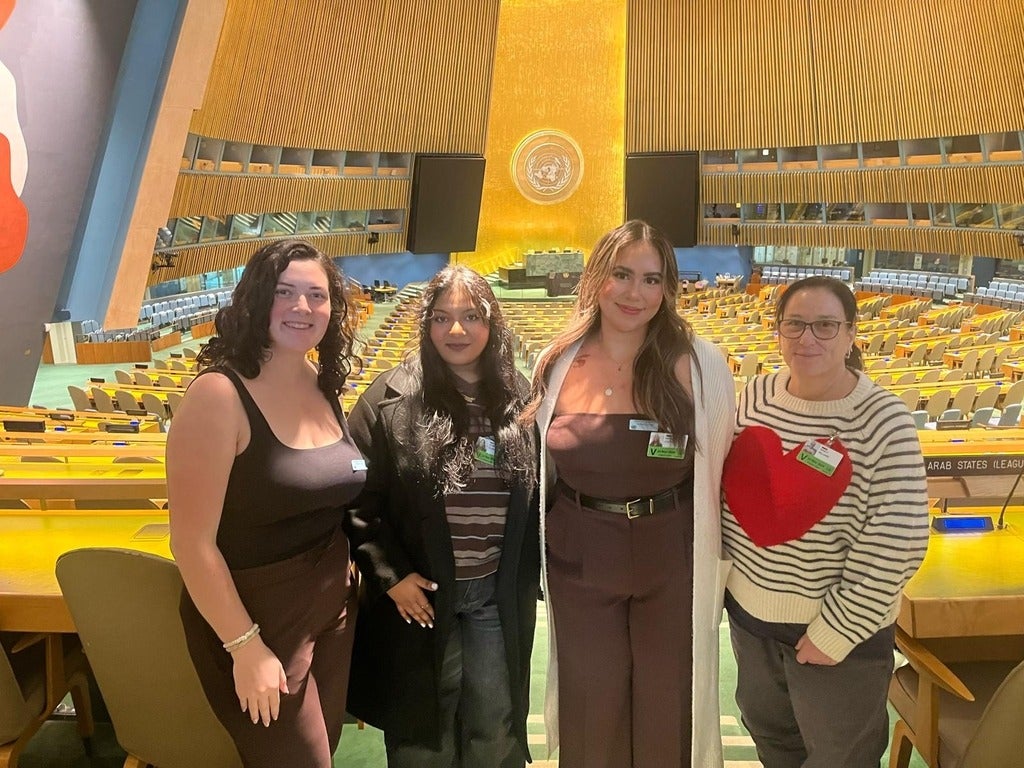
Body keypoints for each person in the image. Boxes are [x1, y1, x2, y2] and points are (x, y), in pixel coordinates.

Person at [522, 219, 736, 768]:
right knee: (592, 703)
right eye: (621, 274)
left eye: (650, 279)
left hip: (672, 554)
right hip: (582, 553)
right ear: (597, 278)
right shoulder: (556, 361)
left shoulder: (701, 364)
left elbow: (717, 476)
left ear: (666, 289)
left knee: (669, 703)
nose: (634, 293)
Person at [167, 239, 365, 768]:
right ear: (256, 300)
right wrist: (245, 646)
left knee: (323, 749)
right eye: (285, 292)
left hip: (330, 606)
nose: (302, 308)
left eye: (316, 296)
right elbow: (191, 542)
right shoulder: (217, 395)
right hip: (258, 614)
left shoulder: (322, 382)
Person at [721, 275, 929, 768]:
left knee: (841, 758)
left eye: (825, 325)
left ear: (851, 333)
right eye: (794, 324)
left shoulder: (884, 420)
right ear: (777, 331)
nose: (807, 338)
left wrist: (835, 631)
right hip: (751, 622)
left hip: (836, 636)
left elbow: (895, 543)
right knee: (774, 744)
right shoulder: (755, 396)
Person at [345, 265, 539, 767]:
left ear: (492, 323)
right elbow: (358, 502)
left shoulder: (520, 397)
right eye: (442, 317)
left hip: (494, 594)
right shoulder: (387, 400)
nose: (456, 330)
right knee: (423, 734)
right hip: (422, 594)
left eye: (471, 316)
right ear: (425, 324)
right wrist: (390, 578)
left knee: (494, 725)